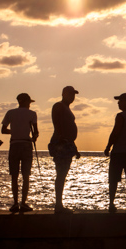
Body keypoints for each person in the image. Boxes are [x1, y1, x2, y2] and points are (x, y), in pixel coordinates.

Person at [1, 93, 38, 213]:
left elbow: (3, 130)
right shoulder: (32, 114)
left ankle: (15, 203)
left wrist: (15, 131)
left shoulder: (10, 113)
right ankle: (24, 203)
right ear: (26, 102)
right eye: (29, 103)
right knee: (26, 176)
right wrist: (33, 137)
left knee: (14, 176)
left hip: (14, 144)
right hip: (26, 145)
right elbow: (36, 132)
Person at [48, 85, 80, 214]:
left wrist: (74, 148)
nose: (72, 97)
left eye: (73, 95)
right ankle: (58, 205)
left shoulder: (67, 108)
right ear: (63, 94)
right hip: (61, 144)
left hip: (67, 144)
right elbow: (57, 123)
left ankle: (59, 204)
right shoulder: (59, 106)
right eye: (70, 94)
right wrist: (62, 139)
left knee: (63, 174)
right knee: (60, 174)